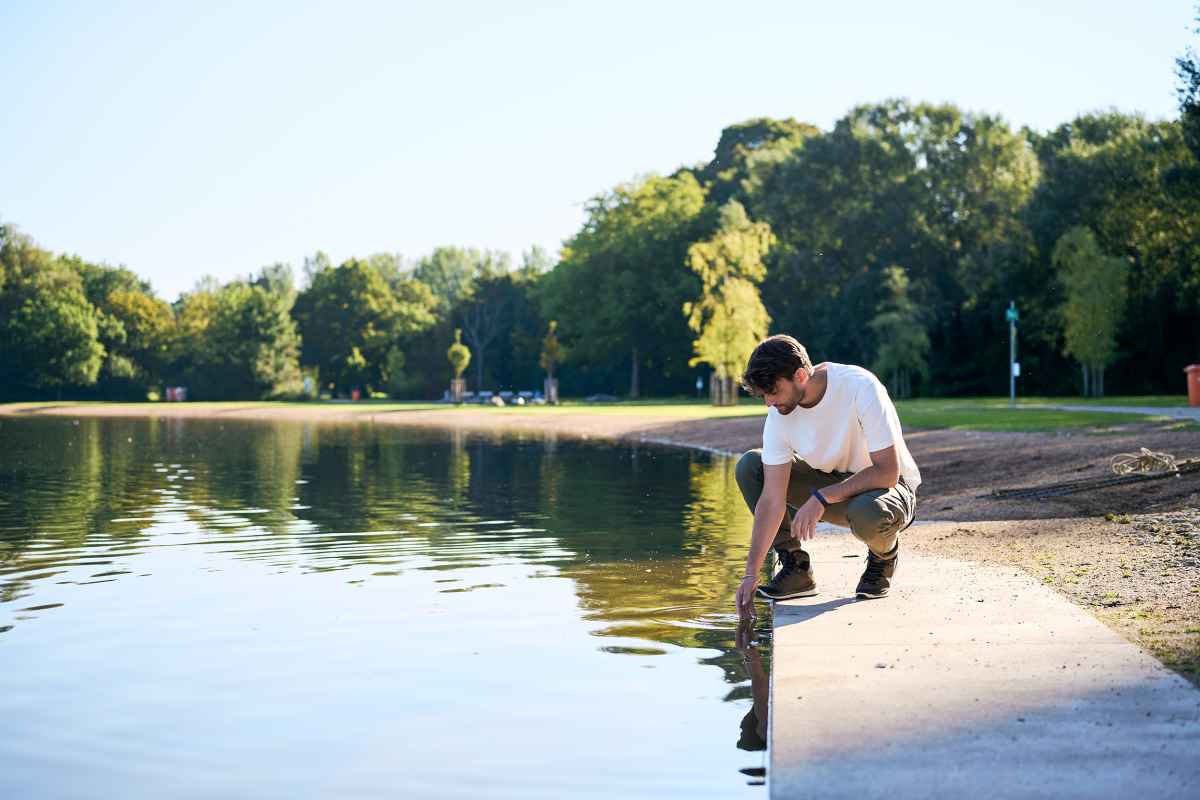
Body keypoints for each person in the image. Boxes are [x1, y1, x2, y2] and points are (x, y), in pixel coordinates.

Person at [734, 335, 920, 620]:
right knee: (751, 466)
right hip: (832, 483)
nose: (769, 402)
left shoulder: (859, 386)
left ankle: (884, 556)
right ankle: (796, 569)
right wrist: (750, 574)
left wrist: (822, 497)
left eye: (773, 391)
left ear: (799, 375)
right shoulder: (778, 414)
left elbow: (887, 471)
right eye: (763, 396)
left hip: (888, 489)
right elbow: (771, 499)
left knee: (868, 513)